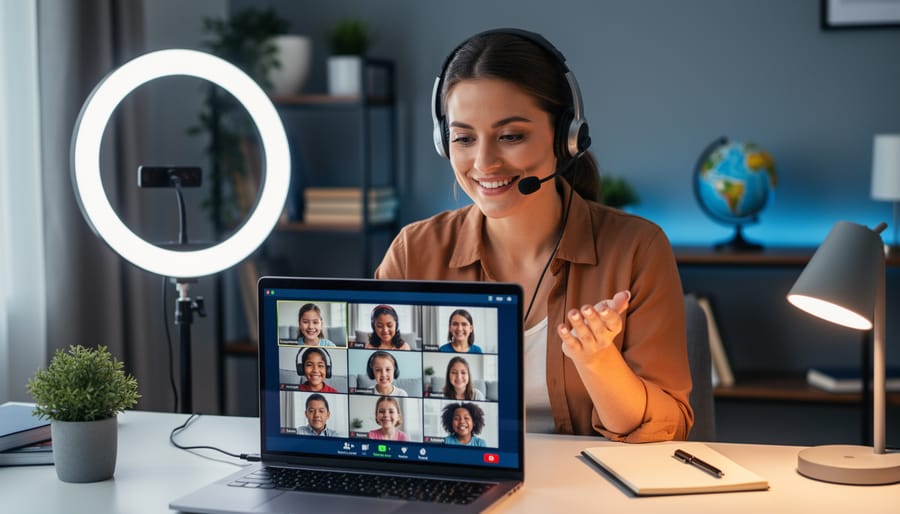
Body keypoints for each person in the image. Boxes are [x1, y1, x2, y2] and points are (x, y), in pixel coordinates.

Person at [375, 29, 692, 442]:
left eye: (511, 136)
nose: (484, 162)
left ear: (567, 139)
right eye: (464, 138)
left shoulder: (636, 249)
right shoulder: (413, 253)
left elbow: (668, 430)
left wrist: (598, 361)